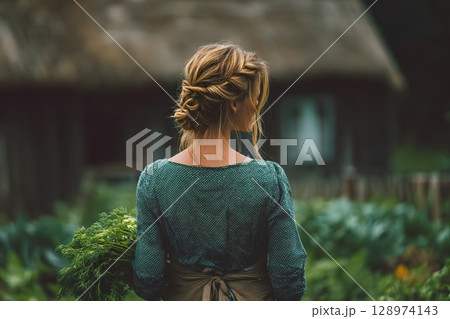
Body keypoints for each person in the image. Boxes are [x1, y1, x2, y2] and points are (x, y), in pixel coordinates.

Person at [131, 43, 307, 301]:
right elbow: (288, 279)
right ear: (234, 103)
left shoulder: (154, 180)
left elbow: (148, 281)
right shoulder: (269, 180)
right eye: (255, 95)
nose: (258, 103)